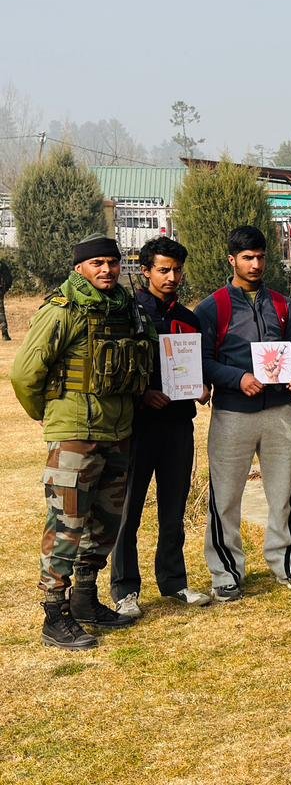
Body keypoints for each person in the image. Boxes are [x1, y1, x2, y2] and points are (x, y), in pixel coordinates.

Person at [12, 234, 153, 649]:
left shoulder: (126, 308)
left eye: (113, 263)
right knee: (67, 524)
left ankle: (86, 600)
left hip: (117, 432)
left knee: (105, 523)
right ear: (80, 269)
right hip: (75, 435)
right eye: (97, 264)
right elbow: (24, 374)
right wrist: (47, 415)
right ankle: (54, 615)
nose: (107, 270)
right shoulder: (63, 311)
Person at [195, 226, 291, 601]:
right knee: (226, 498)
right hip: (233, 414)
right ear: (232, 260)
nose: (255, 264)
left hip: (280, 411)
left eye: (260, 257)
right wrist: (238, 378)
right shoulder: (213, 307)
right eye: (247, 258)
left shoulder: (281, 303)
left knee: (282, 494)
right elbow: (202, 361)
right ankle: (226, 573)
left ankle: (287, 561)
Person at [111, 237, 212, 619]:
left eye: (177, 270)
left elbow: (198, 367)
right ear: (145, 271)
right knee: (129, 511)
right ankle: (125, 589)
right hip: (137, 428)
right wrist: (142, 396)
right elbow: (116, 371)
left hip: (178, 427)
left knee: (174, 509)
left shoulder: (189, 318)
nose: (171, 277)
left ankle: (173, 581)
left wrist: (203, 387)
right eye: (163, 270)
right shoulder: (127, 314)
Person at [0, 256, 13, 340]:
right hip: (0, 291)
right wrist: (4, 289)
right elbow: (9, 279)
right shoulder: (2, 265)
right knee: (1, 313)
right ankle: (5, 334)